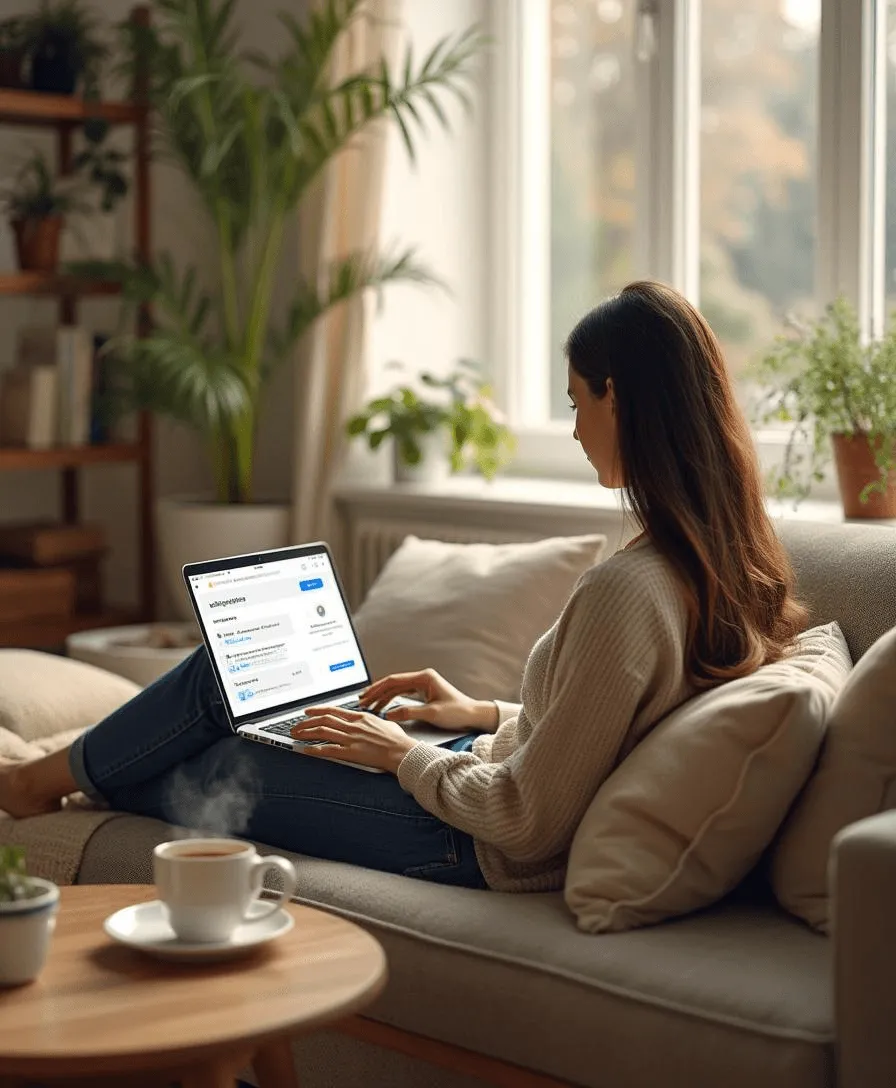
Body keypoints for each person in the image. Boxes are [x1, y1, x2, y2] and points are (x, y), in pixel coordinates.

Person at [0, 281, 808, 893]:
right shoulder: (715, 562)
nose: (571, 427)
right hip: (477, 771)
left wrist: (401, 757)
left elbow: (526, 822)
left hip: (468, 837)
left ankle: (37, 783)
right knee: (246, 698)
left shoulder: (630, 589)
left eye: (575, 401)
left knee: (220, 736)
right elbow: (607, 733)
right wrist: (481, 714)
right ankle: (54, 775)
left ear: (618, 399)